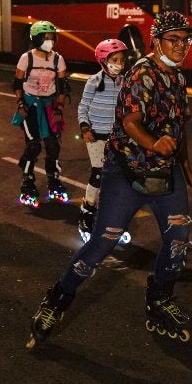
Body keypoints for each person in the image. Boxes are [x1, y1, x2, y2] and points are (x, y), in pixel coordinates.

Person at [26, 11, 192, 349]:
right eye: (174, 40)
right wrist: (154, 143)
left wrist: (188, 168)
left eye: (186, 40)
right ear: (156, 41)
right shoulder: (141, 73)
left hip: (166, 174)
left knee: (179, 239)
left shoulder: (178, 78)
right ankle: (57, 300)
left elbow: (179, 130)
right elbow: (129, 121)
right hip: (126, 173)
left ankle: (159, 299)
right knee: (102, 243)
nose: (182, 46)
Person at [12, 20, 69, 208]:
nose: (49, 41)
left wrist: (59, 109)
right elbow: (17, 84)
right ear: (36, 39)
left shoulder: (57, 59)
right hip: (30, 106)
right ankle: (27, 182)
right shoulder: (26, 58)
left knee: (53, 145)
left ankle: (53, 180)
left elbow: (62, 87)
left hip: (49, 106)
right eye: (45, 38)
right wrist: (20, 103)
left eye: (52, 38)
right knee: (34, 145)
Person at [77, 39, 129, 244]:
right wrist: (85, 128)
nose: (119, 63)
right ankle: (86, 215)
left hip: (117, 136)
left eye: (122, 60)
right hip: (96, 135)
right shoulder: (94, 81)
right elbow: (83, 106)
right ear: (103, 60)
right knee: (98, 174)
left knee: (118, 178)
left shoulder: (124, 82)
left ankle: (113, 221)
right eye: (114, 59)